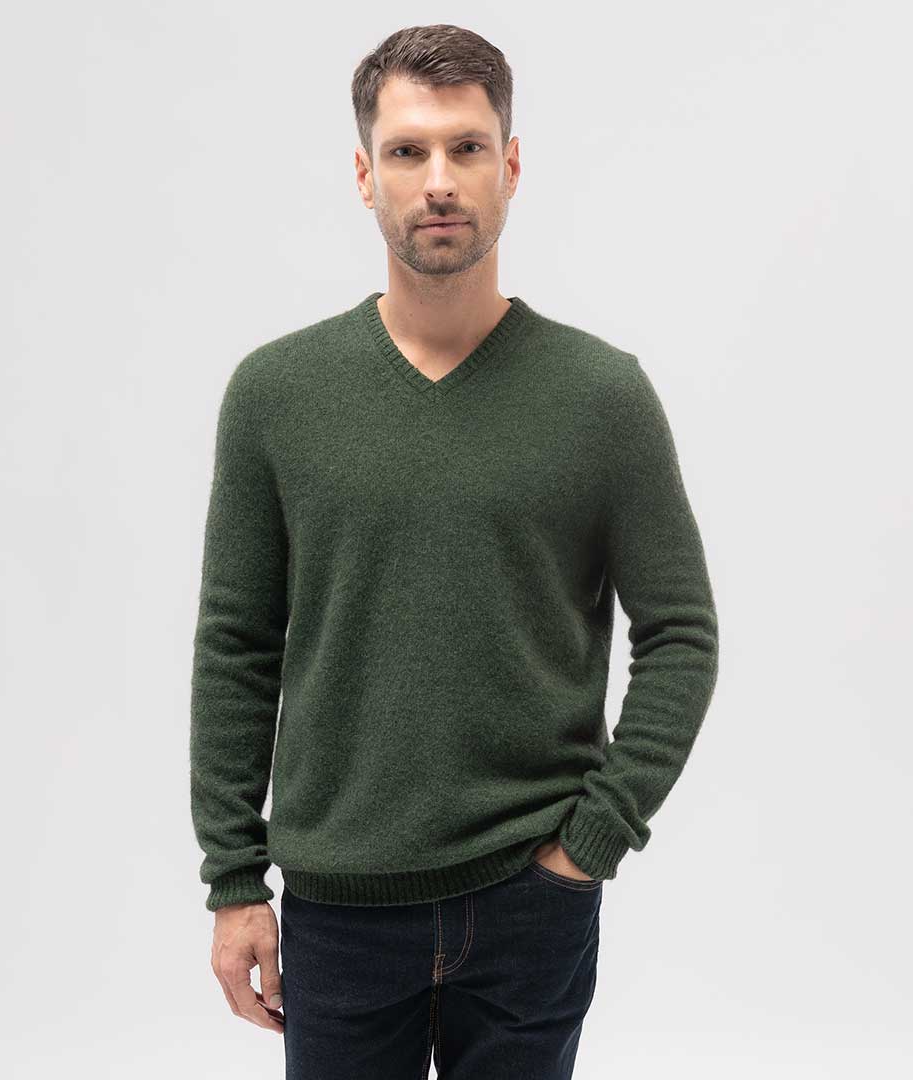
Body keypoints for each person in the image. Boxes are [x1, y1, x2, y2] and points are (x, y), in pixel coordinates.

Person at [189, 22, 719, 1080]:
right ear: (364, 175)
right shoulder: (276, 395)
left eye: (467, 148)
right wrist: (235, 882)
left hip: (531, 898)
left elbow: (681, 634)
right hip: (338, 911)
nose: (438, 180)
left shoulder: (601, 397)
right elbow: (237, 646)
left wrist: (590, 845)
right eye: (408, 150)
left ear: (510, 167)